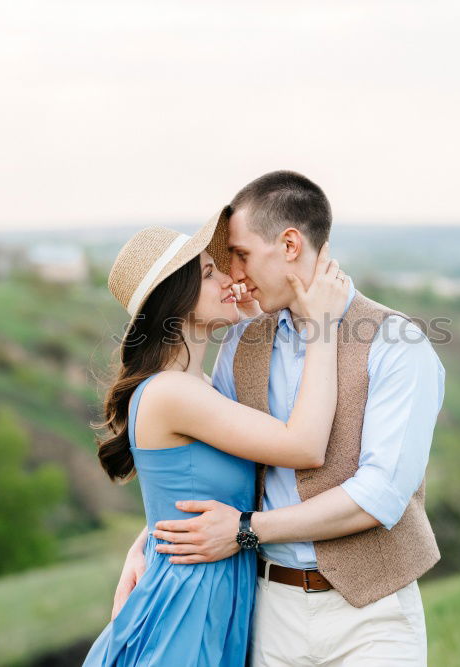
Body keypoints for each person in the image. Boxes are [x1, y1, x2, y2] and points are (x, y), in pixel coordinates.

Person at [115, 170, 446, 665]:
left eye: (242, 255)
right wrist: (151, 539)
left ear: (290, 244)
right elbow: (213, 463)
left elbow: (379, 497)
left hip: (372, 616)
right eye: (222, 266)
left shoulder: (396, 345)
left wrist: (248, 528)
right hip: (267, 614)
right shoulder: (241, 343)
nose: (235, 276)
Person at [81, 216, 350, 666]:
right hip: (189, 601)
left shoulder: (198, 386)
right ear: (176, 301)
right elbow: (304, 445)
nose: (229, 279)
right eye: (209, 273)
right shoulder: (172, 393)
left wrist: (145, 537)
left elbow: (187, 489)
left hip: (212, 591)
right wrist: (324, 326)